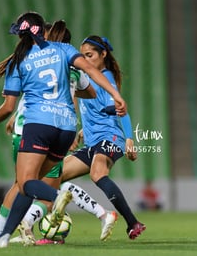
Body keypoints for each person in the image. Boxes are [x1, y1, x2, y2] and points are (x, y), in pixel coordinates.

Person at [0, 12, 127, 248]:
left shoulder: (19, 61)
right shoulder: (63, 51)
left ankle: (54, 202)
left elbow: (8, 106)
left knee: (24, 184)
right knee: (36, 183)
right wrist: (116, 95)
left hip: (34, 126)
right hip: (66, 128)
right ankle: (7, 235)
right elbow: (91, 77)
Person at [60, 35, 146, 240]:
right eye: (83, 56)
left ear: (103, 54)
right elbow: (97, 111)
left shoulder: (105, 77)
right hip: (93, 142)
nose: (85, 60)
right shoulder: (87, 78)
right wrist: (83, 132)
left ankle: (132, 222)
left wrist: (129, 139)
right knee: (55, 174)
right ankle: (53, 224)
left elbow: (120, 107)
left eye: (90, 55)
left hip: (111, 139)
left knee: (97, 173)